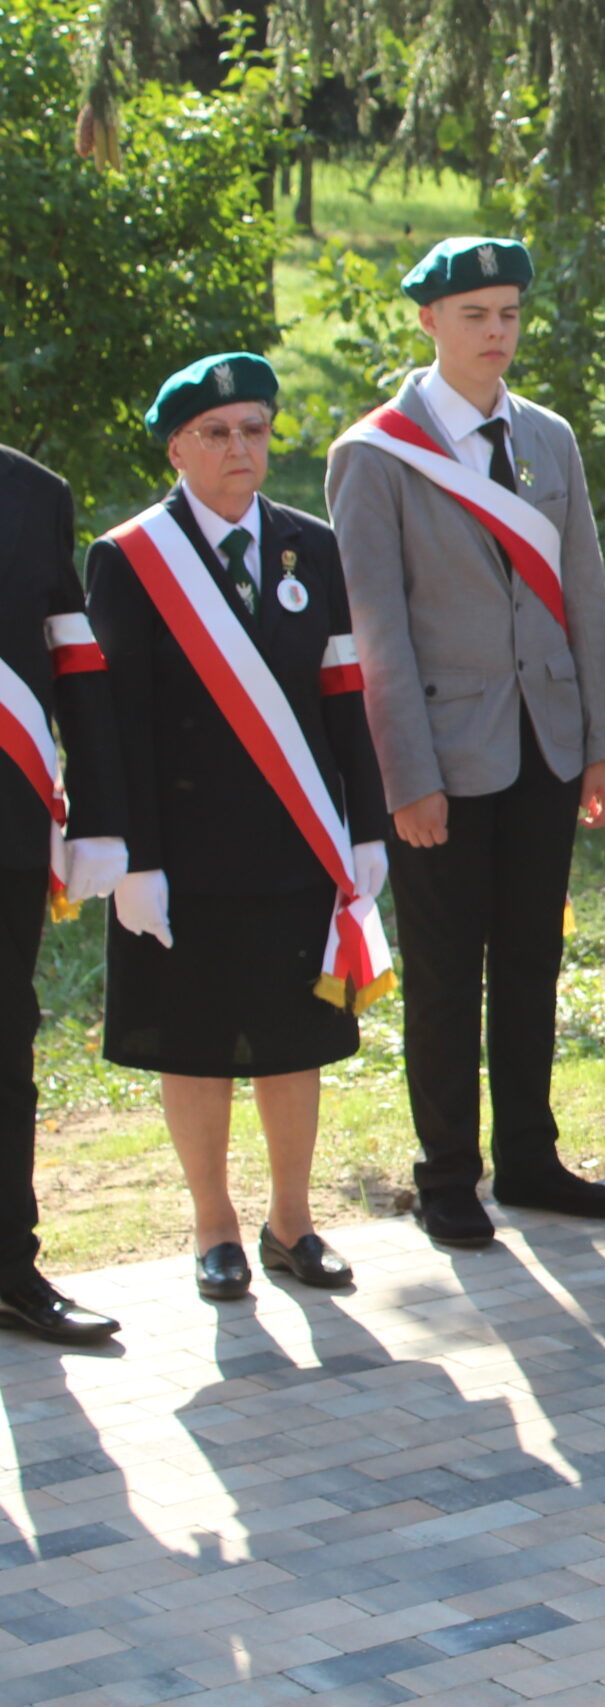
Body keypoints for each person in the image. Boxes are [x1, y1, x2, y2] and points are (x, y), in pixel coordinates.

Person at [325, 236, 605, 1249]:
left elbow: (583, 595)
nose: (496, 333)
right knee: (447, 972)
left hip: (545, 745)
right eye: (474, 316)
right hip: (445, 758)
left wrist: (600, 744)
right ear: (429, 322)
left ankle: (531, 1158)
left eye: (507, 314)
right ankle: (447, 1173)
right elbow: (377, 631)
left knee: (532, 960)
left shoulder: (547, 436)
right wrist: (405, 776)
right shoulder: (376, 455)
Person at [89, 353, 389, 1301]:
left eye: (254, 429)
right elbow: (119, 722)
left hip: (295, 843)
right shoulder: (130, 558)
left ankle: (292, 1223)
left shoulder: (311, 546)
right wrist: (134, 858)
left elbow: (344, 694)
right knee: (195, 1042)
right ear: (177, 448)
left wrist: (366, 827)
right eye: (215, 433)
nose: (239, 448)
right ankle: (213, 1224)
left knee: (294, 1039)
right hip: (182, 855)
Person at [0, 447, 127, 1343]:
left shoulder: (35, 493)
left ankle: (9, 1267)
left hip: (5, 821)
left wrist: (99, 814)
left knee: (5, 1046)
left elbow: (74, 660)